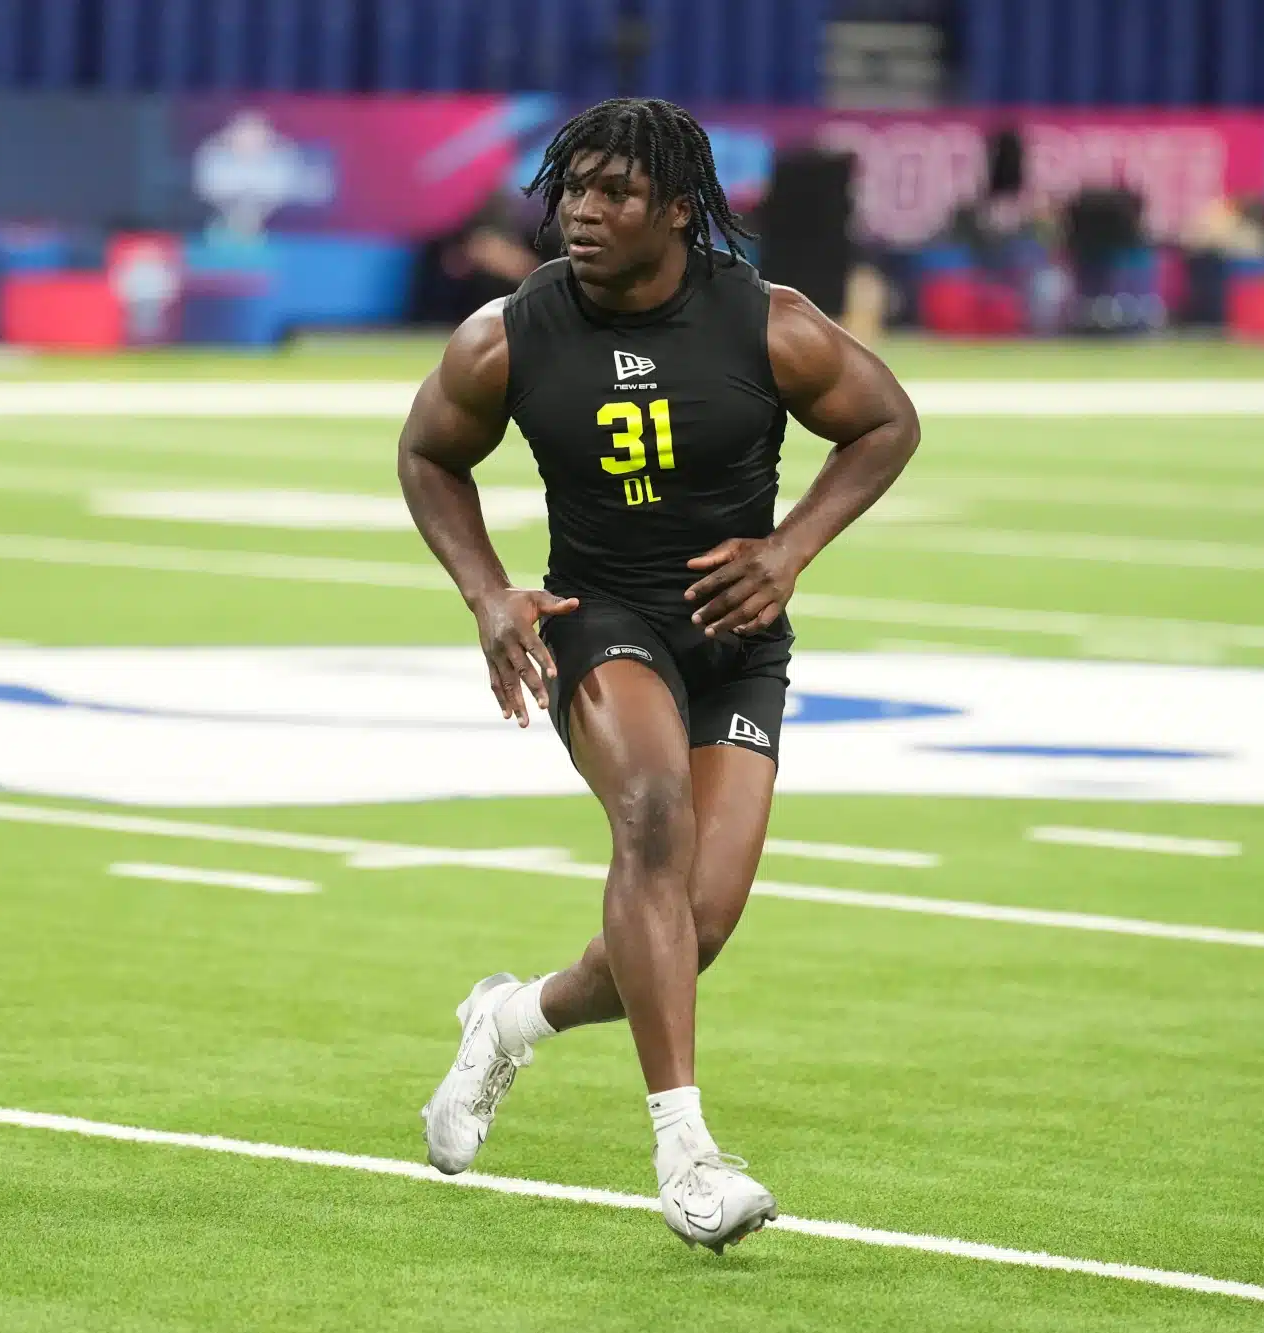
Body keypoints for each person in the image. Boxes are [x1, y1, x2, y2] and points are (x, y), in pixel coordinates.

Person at [396, 98, 920, 1253]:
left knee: (695, 927)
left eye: (615, 193)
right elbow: (428, 453)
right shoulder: (506, 334)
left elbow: (885, 420)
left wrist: (788, 549)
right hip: (599, 616)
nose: (582, 210)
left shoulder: (766, 323)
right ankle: (685, 1154)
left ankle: (509, 1021)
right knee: (649, 816)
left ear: (677, 209)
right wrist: (488, 592)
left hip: (731, 634)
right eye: (571, 188)